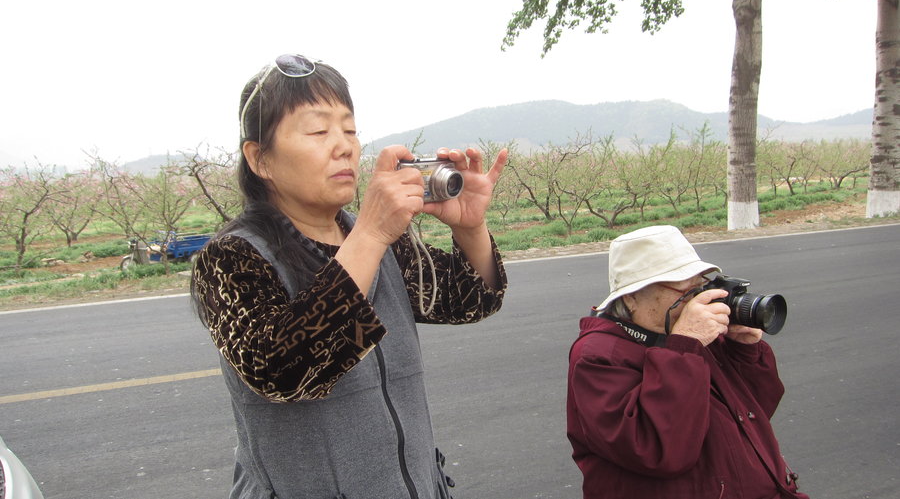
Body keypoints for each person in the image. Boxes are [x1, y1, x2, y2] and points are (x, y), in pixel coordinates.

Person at [191, 54, 508, 499]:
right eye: (319, 131)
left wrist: (469, 227)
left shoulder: (374, 238)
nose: (344, 146)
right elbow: (285, 373)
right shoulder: (233, 258)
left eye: (350, 130)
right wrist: (373, 233)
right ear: (260, 158)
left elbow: (468, 300)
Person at [566, 225, 809, 499]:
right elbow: (658, 450)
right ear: (632, 297)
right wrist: (684, 348)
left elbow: (752, 415)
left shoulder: (692, 336)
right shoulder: (598, 356)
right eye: (683, 291)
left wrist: (744, 351)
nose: (696, 301)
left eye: (700, 286)